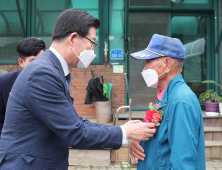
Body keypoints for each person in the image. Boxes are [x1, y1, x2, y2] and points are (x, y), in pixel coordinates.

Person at [0, 8, 156, 169]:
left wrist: (122, 130)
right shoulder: (42, 73)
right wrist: (125, 133)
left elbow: (75, 123)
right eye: (92, 43)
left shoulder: (52, 69)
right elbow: (76, 132)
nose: (93, 51)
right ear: (73, 38)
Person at [129, 34, 205, 169]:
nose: (144, 69)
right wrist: (141, 143)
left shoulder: (180, 102)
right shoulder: (168, 96)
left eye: (148, 62)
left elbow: (183, 164)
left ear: (167, 64)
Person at [0, 37, 45, 134]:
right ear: (21, 62)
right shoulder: (5, 82)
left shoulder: (55, 80)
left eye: (42, 59)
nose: (40, 64)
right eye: (33, 61)